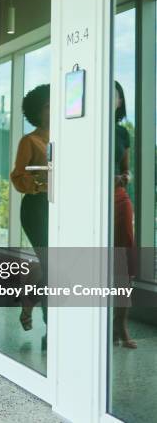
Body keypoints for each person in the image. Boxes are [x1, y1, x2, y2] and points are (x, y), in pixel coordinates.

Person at [10, 84, 50, 342]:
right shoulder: (30, 140)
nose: (51, 110)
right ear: (37, 111)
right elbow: (17, 177)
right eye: (46, 106)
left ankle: (29, 301)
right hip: (37, 208)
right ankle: (53, 327)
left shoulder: (67, 137)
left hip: (63, 209)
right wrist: (43, 185)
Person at [112, 81, 137, 349]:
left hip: (118, 199)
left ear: (120, 101)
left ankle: (120, 325)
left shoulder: (121, 133)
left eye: (115, 95)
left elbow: (126, 169)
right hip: (91, 201)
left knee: (124, 264)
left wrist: (123, 176)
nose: (111, 98)